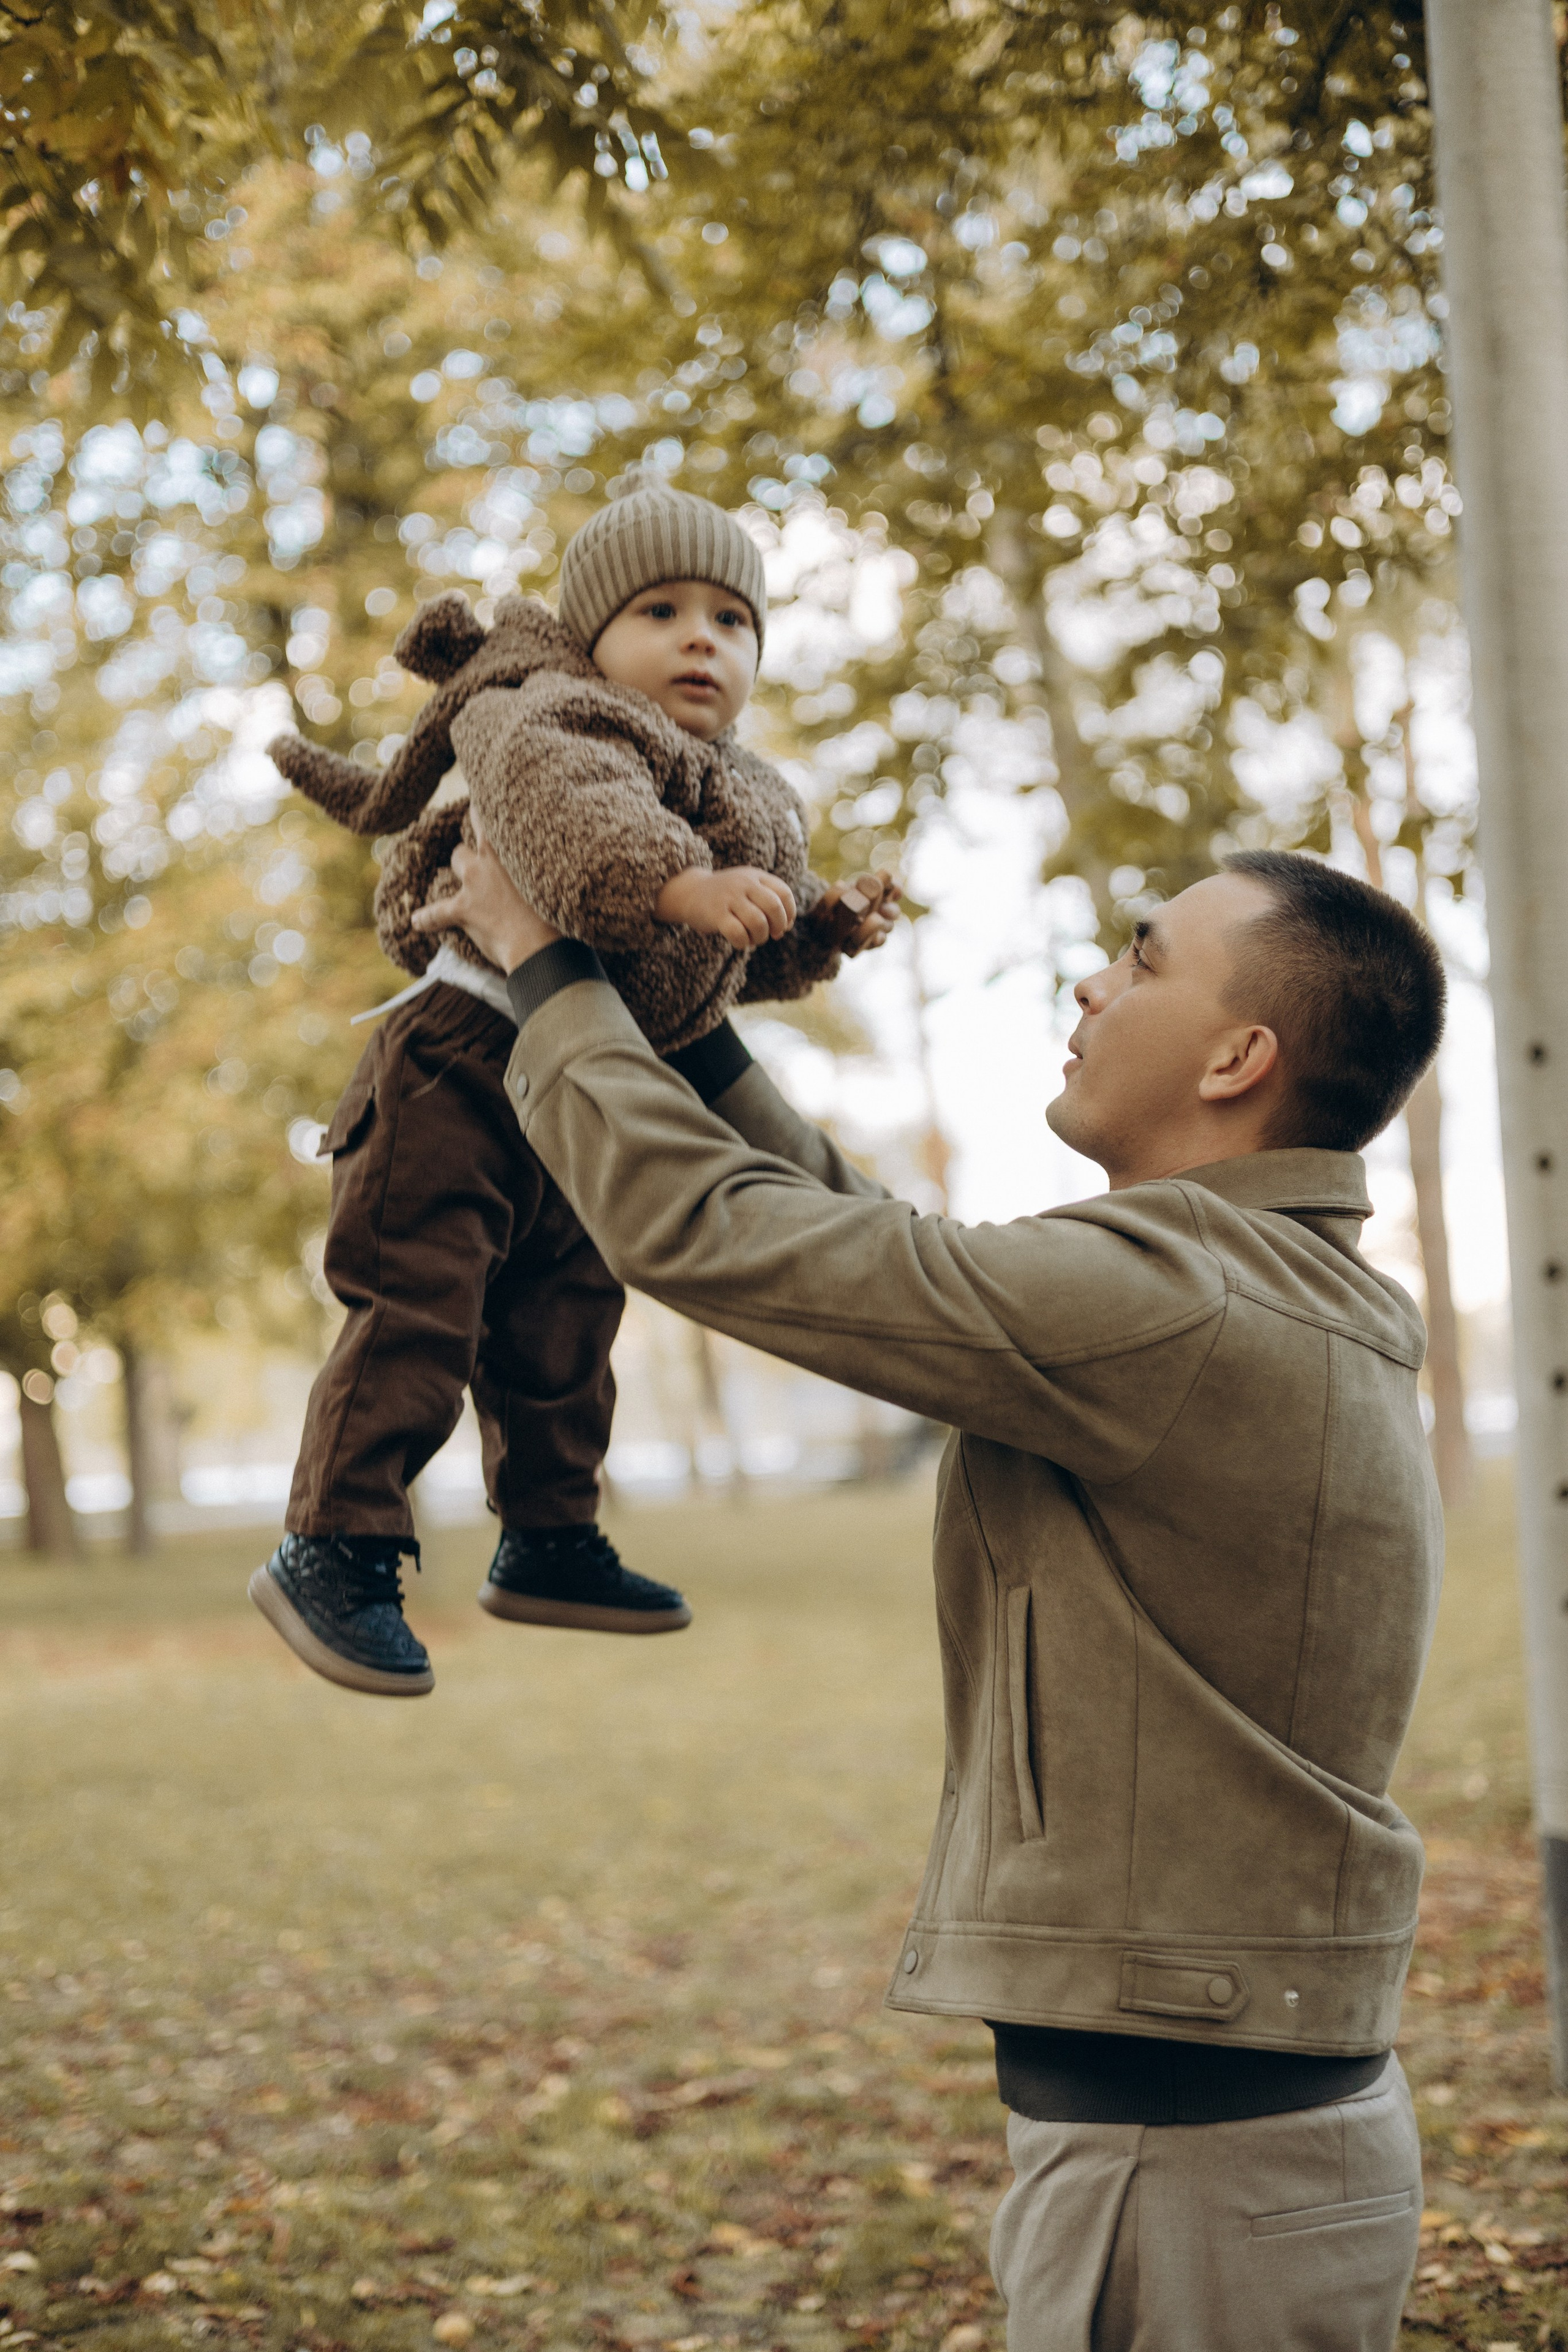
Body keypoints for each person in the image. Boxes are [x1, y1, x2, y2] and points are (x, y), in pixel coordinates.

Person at [416, 833, 1446, 2352]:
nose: (1092, 981)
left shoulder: (1180, 1304)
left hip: (1196, 2175)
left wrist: (546, 971)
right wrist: (685, 1028)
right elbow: (877, 1250)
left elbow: (719, 1235)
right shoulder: (1233, 1281)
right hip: (1206, 2138)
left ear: (1238, 1056)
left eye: (1144, 957)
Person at [249, 476, 895, 1699]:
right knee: (417, 1302)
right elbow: (574, 828)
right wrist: (681, 886)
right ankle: (335, 1546)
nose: (702, 637)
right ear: (594, 637)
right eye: (661, 610)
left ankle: (549, 1537)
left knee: (566, 1321)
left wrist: (814, 925)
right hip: (460, 1057)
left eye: (732, 619)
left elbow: (722, 966)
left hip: (580, 1086)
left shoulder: (747, 789)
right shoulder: (552, 715)